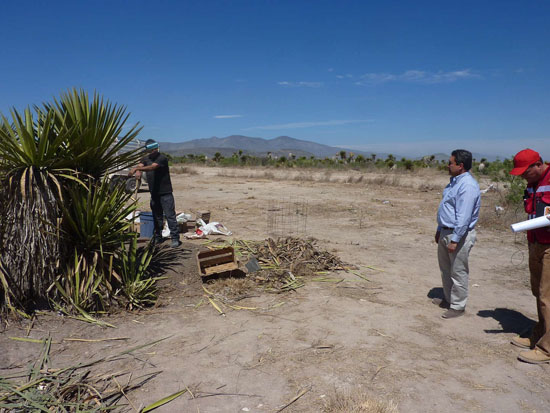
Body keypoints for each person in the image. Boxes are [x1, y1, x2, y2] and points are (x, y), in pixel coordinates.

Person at [509, 149, 550, 364]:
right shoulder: (533, 183)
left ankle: (546, 349)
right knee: (538, 292)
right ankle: (539, 335)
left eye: (526, 172)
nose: (524, 177)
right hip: (535, 243)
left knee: (547, 296)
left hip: (549, 245)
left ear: (538, 164)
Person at [434, 149, 481, 319]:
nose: (448, 165)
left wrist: (455, 239)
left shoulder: (467, 186)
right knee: (446, 269)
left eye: (451, 163)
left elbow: (464, 216)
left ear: (460, 166)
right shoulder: (453, 183)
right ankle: (448, 299)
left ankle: (458, 306)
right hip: (446, 231)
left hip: (458, 234)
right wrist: (440, 230)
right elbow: (447, 209)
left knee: (458, 271)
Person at [129, 139, 180, 248]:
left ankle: (175, 238)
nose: (153, 151)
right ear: (148, 150)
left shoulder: (162, 158)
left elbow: (153, 167)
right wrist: (138, 171)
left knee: (170, 216)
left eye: (154, 149)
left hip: (165, 193)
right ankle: (158, 237)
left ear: (157, 148)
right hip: (154, 194)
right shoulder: (146, 158)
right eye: (151, 150)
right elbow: (141, 163)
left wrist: (137, 168)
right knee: (157, 216)